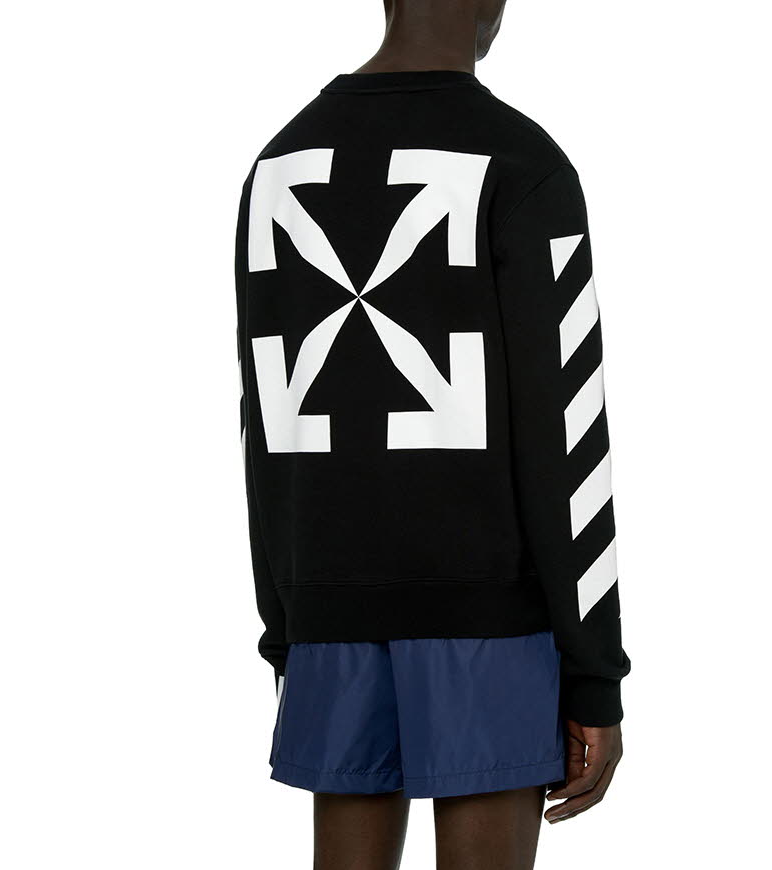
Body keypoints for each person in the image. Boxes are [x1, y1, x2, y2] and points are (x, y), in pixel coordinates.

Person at [234, 1, 631, 867]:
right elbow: (565, 431)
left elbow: (263, 420)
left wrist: (286, 627)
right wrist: (594, 672)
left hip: (328, 609)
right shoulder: (521, 161)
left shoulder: (278, 165)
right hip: (487, 612)